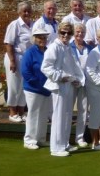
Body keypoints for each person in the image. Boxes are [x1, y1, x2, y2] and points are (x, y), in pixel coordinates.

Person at [41, 22, 85, 157]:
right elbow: (45, 67)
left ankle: (64, 143)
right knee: (59, 116)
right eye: (63, 33)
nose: (66, 35)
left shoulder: (67, 48)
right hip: (59, 85)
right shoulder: (54, 47)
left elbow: (72, 66)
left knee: (67, 116)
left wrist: (76, 79)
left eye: (68, 33)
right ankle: (56, 148)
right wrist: (60, 76)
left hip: (69, 85)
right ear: (59, 33)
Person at [21, 28, 52, 149]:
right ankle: (29, 140)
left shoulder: (48, 51)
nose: (42, 40)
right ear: (34, 39)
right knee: (33, 114)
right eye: (39, 37)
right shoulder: (30, 52)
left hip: (46, 90)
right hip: (32, 89)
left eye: (44, 37)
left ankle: (40, 139)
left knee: (44, 115)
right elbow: (25, 71)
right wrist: (38, 83)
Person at [4, 2, 33, 123]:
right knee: (14, 85)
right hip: (15, 57)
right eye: (24, 11)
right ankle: (12, 112)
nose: (26, 13)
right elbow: (8, 43)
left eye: (28, 11)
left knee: (24, 86)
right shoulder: (15, 25)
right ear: (19, 12)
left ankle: (21, 112)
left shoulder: (33, 25)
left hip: (27, 59)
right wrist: (12, 61)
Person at [70, 24, 93, 148]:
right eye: (77, 32)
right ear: (74, 33)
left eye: (82, 32)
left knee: (83, 110)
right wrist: (71, 78)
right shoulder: (68, 47)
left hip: (85, 83)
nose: (80, 34)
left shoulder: (89, 48)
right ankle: (66, 136)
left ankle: (80, 137)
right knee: (68, 110)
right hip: (72, 83)